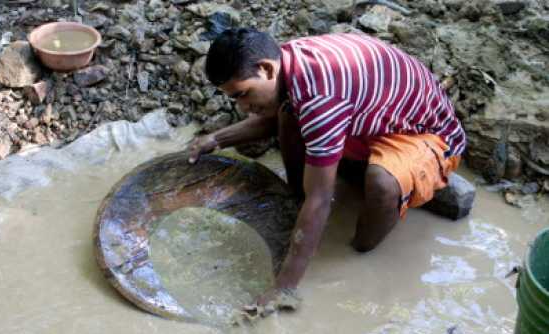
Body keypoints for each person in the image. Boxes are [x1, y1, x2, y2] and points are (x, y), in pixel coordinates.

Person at [188, 28, 466, 304]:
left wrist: (283, 287)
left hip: (424, 132)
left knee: (381, 185)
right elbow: (274, 118)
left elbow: (321, 199)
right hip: (370, 119)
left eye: (243, 94)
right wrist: (214, 139)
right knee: (288, 114)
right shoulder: (288, 63)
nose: (243, 107)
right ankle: (296, 198)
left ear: (266, 69)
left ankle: (359, 249)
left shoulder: (319, 96)